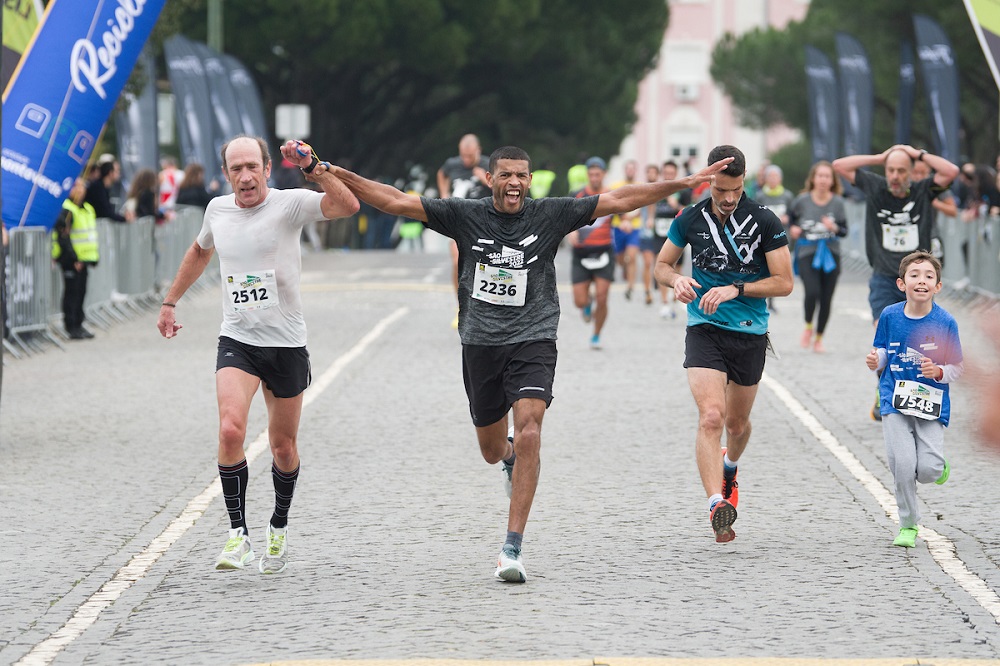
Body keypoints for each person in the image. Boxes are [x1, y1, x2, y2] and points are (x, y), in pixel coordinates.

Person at [325, 144, 732, 582]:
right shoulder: (464, 215)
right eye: (505, 175)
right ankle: (507, 456)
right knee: (490, 448)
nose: (514, 182)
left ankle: (511, 547)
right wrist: (329, 170)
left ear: (530, 180)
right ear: (490, 178)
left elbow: (620, 199)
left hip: (533, 338)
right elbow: (394, 200)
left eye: (521, 175)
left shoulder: (549, 214)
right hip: (480, 343)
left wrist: (683, 183)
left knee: (532, 427)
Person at [156, 135, 359, 574]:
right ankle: (237, 536)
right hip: (238, 339)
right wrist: (170, 302)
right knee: (230, 431)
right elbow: (199, 250)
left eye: (252, 167)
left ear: (267, 168)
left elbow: (347, 207)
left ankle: (278, 525)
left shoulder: (289, 204)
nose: (245, 176)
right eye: (236, 169)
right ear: (226, 174)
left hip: (285, 343)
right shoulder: (217, 211)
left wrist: (315, 167)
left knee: (282, 446)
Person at [653, 145, 793, 544]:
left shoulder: (765, 220)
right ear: (708, 182)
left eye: (734, 191)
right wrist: (676, 280)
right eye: (720, 192)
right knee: (712, 417)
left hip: (749, 332)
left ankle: (730, 466)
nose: (728, 199)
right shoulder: (689, 218)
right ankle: (717, 502)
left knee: (737, 424)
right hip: (704, 329)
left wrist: (738, 289)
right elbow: (661, 265)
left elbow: (784, 282)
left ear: (744, 182)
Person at [832, 144, 959, 421]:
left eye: (901, 170)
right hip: (884, 277)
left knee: (916, 339)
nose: (895, 176)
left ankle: (918, 394)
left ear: (911, 172)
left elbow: (952, 171)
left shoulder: (923, 190)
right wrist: (880, 157)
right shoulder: (876, 187)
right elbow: (840, 165)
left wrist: (919, 155)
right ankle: (883, 390)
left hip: (918, 279)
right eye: (891, 170)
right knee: (885, 339)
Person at [865, 251, 963, 548]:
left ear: (938, 286)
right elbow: (882, 349)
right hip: (894, 400)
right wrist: (876, 359)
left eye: (929, 276)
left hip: (931, 403)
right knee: (904, 465)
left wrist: (938, 371)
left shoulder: (945, 322)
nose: (922, 280)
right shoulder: (890, 315)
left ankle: (938, 466)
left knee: (928, 470)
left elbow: (957, 368)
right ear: (901, 283)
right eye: (915, 275)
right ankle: (908, 524)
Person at [788, 161, 847, 353]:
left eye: (827, 176)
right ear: (813, 178)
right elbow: (791, 220)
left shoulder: (837, 202)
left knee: (826, 298)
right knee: (812, 292)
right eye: (820, 176)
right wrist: (793, 229)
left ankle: (819, 337)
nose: (823, 180)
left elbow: (844, 230)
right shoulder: (802, 200)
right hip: (807, 251)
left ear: (832, 180)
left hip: (831, 253)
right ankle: (807, 327)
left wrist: (834, 227)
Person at [437, 134, 491, 329]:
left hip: (484, 224)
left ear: (478, 150)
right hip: (459, 222)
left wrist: (485, 181)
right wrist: (444, 194)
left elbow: (503, 190)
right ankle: (461, 307)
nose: (466, 161)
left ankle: (483, 308)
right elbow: (441, 174)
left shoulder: (489, 165)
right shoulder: (452, 164)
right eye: (463, 156)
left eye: (470, 156)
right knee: (457, 261)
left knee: (481, 266)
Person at [568, 156, 614, 350]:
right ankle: (586, 304)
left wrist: (627, 222)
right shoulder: (577, 194)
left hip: (604, 250)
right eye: (591, 174)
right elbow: (565, 218)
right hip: (581, 252)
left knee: (603, 297)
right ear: (587, 175)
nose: (594, 177)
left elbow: (624, 213)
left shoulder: (611, 195)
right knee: (579, 302)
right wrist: (570, 233)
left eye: (598, 174)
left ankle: (596, 335)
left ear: (603, 174)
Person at [51, 177, 99, 339]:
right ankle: (71, 326)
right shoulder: (66, 209)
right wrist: (74, 258)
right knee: (71, 293)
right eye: (76, 187)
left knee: (81, 292)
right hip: (71, 260)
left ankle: (79, 324)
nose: (80, 190)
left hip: (84, 259)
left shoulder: (87, 208)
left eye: (82, 186)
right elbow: (63, 236)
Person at [641, 160, 685, 319]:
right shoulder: (658, 188)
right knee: (662, 264)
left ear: (675, 174)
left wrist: (676, 205)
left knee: (678, 266)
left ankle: (677, 296)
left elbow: (689, 210)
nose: (668, 176)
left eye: (671, 173)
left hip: (677, 233)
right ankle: (664, 302)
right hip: (659, 232)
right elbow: (651, 205)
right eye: (666, 173)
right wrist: (650, 219)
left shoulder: (683, 189)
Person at [611, 159, 642, 300]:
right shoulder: (616, 186)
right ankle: (623, 268)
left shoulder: (641, 187)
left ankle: (630, 286)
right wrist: (624, 220)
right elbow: (613, 205)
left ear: (635, 171)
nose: (630, 171)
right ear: (625, 170)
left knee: (632, 256)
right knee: (621, 258)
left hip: (634, 227)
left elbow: (642, 206)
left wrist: (629, 220)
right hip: (619, 227)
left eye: (632, 169)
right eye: (628, 169)